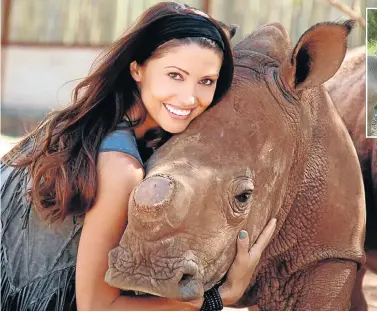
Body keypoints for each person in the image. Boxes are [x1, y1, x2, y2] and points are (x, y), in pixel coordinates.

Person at [1, 2, 277, 310]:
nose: (189, 98)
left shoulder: (86, 119)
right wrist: (217, 299)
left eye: (206, 82)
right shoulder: (121, 166)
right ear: (137, 68)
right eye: (175, 75)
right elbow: (97, 307)